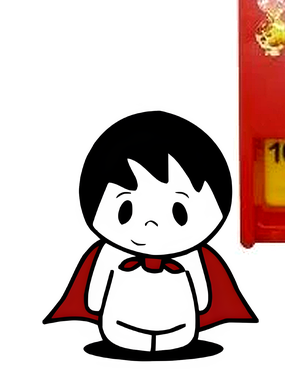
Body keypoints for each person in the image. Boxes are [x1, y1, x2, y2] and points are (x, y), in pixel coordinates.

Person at [44, 111, 256, 360]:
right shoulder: (110, 254)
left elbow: (202, 299)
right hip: (121, 325)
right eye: (126, 210)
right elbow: (94, 297)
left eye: (179, 213)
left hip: (180, 328)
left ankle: (173, 336)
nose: (151, 225)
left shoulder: (191, 258)